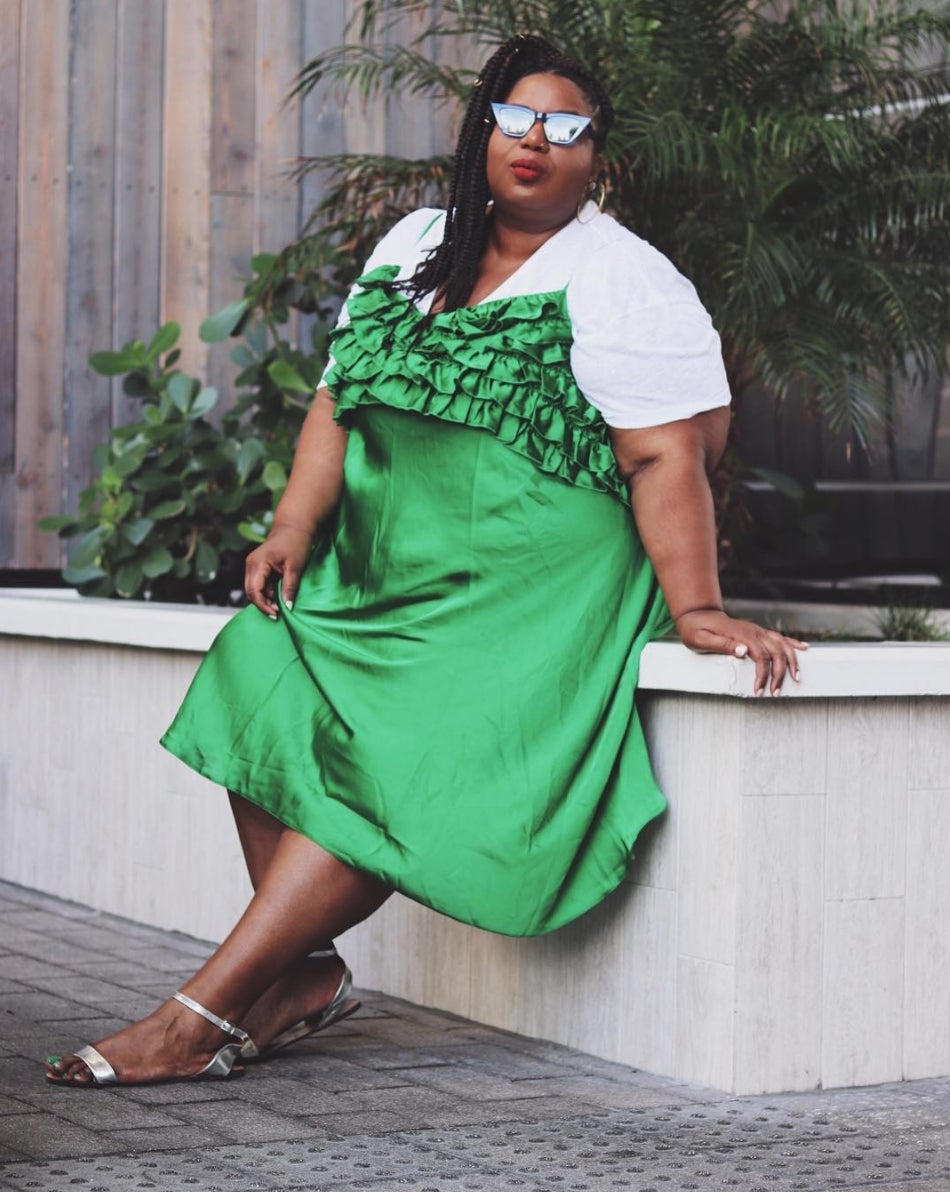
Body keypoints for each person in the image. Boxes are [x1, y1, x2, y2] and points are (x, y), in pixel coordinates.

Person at [45, 34, 805, 1088]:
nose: (536, 140)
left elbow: (665, 456)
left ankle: (196, 1017)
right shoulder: (417, 244)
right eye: (515, 118)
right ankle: (303, 973)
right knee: (255, 675)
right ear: (482, 131)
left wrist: (696, 608)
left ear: (598, 156)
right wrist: (291, 529)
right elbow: (338, 398)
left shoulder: (626, 279)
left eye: (566, 126)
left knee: (391, 774)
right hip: (390, 573)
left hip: (527, 592)